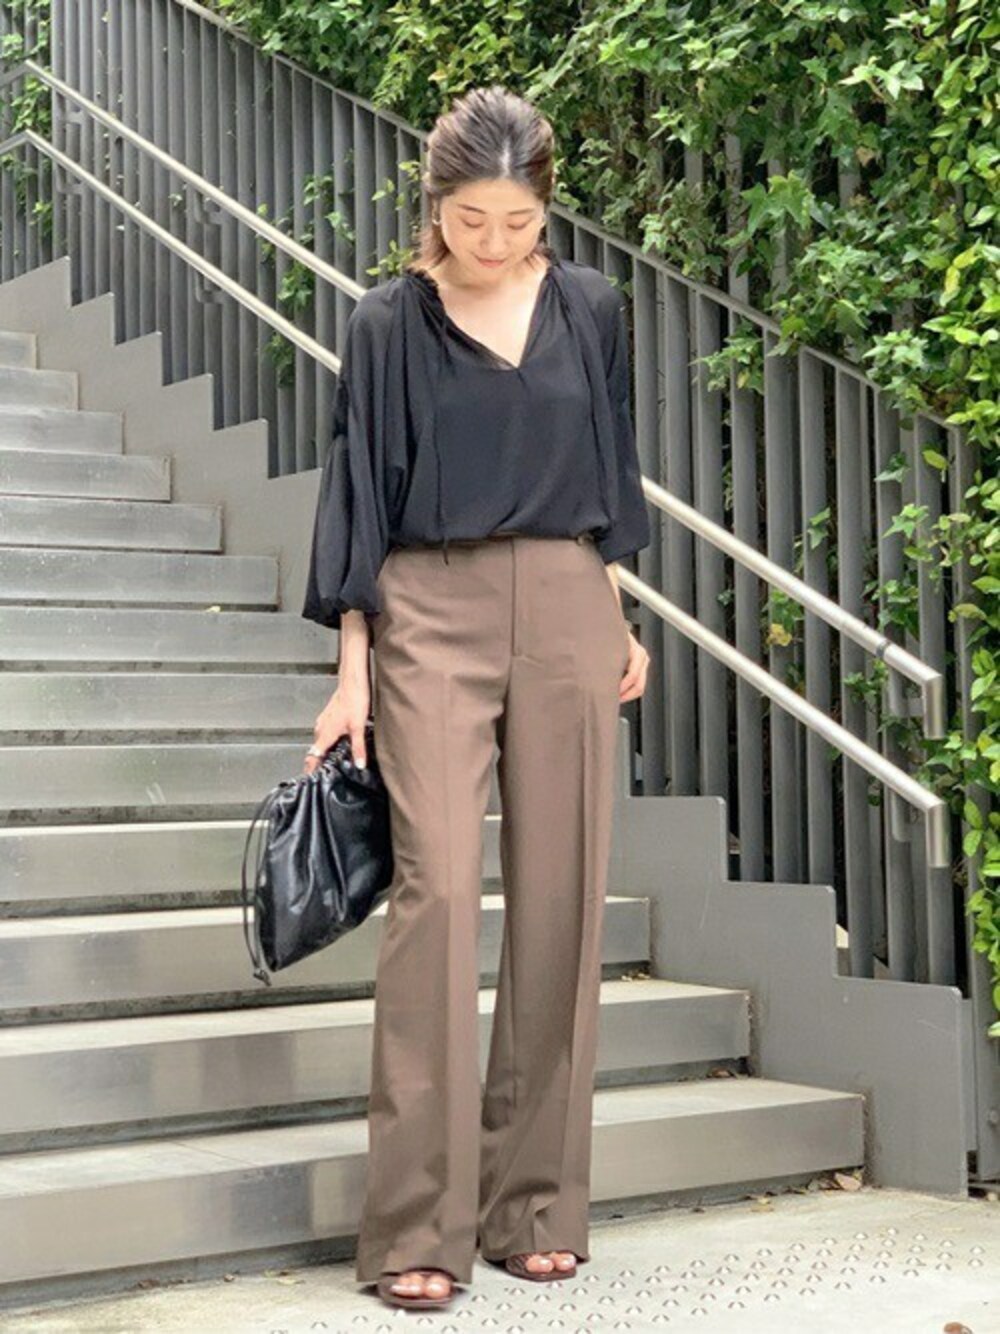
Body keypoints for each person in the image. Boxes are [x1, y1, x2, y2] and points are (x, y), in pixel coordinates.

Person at [300, 84, 651, 1312]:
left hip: (565, 598)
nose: (491, 242)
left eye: (514, 220)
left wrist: (617, 609)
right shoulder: (387, 320)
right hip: (426, 608)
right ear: (433, 204)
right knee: (437, 891)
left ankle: (537, 1202)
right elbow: (357, 488)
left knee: (561, 898)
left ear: (544, 209)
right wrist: (351, 671)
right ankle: (417, 1222)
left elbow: (609, 465)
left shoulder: (591, 307)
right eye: (468, 218)